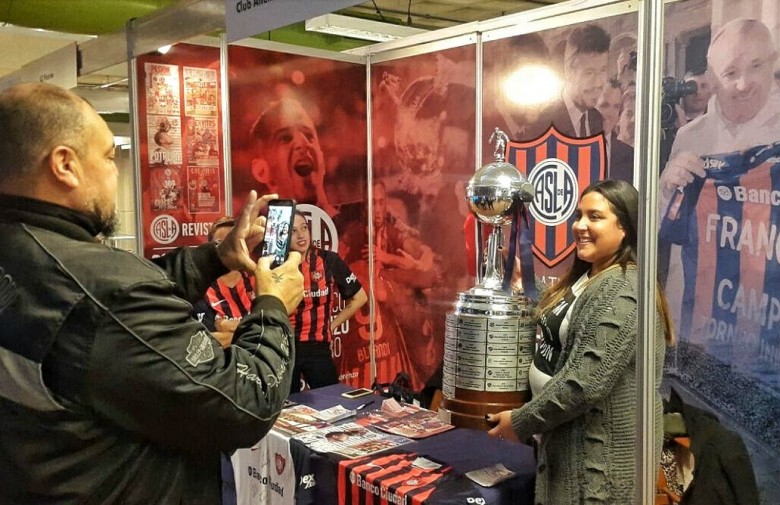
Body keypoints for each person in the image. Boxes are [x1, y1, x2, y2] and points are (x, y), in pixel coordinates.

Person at [0, 82, 304, 504]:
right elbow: (244, 405)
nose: (115, 171)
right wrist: (273, 305)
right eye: (108, 157)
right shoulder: (103, 290)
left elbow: (115, 307)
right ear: (64, 165)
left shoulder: (33, 258)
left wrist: (217, 257)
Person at [485, 179, 675, 504]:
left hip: (595, 472)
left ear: (625, 227)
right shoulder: (592, 276)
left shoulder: (623, 290)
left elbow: (584, 385)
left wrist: (520, 422)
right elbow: (566, 323)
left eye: (595, 217)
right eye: (578, 216)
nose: (580, 226)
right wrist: (520, 287)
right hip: (561, 448)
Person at [660, 18, 780, 204]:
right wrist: (667, 189)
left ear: (772, 62)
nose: (743, 84)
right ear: (713, 80)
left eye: (756, 66)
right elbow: (666, 223)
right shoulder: (689, 137)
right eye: (730, 73)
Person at [288, 211, 367, 393]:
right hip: (284, 349)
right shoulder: (275, 264)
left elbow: (360, 297)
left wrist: (331, 326)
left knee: (330, 403)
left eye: (304, 228)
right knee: (286, 410)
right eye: (292, 231)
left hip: (317, 347)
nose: (301, 235)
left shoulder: (328, 260)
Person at [249, 97, 335, 214]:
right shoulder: (259, 231)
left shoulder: (359, 223)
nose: (303, 143)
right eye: (285, 138)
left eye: (309, 135)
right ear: (262, 171)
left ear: (322, 158)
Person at [530, 23, 611, 138]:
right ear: (569, 71)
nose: (598, 83)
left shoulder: (596, 118)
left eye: (603, 70)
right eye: (589, 73)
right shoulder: (544, 123)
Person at [192, 216, 256, 348]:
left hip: (256, 362)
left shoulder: (256, 281)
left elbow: (267, 328)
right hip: (219, 365)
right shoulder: (201, 289)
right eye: (220, 244)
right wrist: (252, 331)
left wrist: (227, 326)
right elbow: (207, 341)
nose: (228, 250)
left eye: (232, 243)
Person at [596, 77, 634, 182]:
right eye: (604, 105)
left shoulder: (629, 156)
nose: (610, 114)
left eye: (616, 107)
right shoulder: (572, 145)